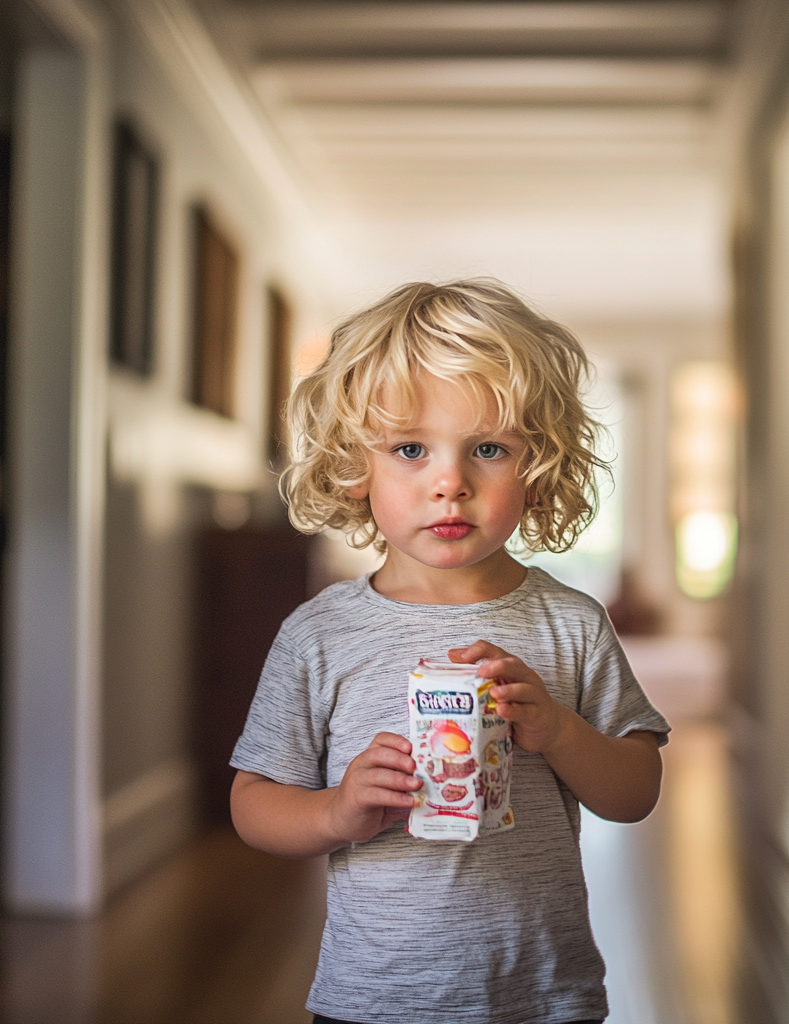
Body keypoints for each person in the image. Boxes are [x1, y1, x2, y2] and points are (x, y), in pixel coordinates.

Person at [229, 279, 670, 1024]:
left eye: (489, 449)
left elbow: (635, 794)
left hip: (543, 997)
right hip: (371, 1000)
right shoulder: (320, 633)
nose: (450, 484)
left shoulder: (571, 623)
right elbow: (253, 805)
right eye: (409, 449)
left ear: (536, 467)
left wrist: (561, 732)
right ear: (355, 464)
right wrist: (337, 811)